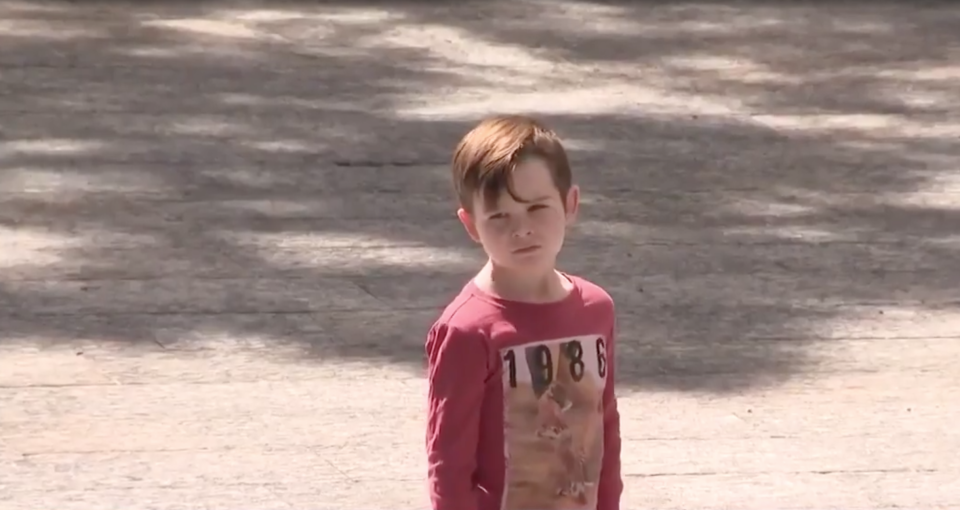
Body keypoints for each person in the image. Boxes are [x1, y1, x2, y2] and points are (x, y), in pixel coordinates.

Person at [424, 114, 623, 510]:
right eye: (500, 216)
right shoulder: (467, 330)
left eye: (536, 208)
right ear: (471, 225)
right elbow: (448, 463)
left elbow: (604, 426)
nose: (522, 229)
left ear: (570, 204)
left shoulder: (596, 309)